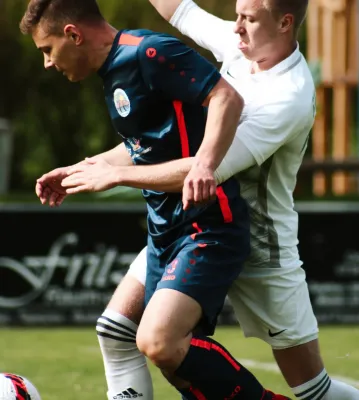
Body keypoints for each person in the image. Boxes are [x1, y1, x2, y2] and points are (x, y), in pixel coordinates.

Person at [60, 0, 359, 400]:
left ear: (285, 23)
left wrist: (115, 174)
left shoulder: (287, 97)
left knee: (313, 390)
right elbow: (180, 10)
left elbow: (205, 168)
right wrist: (92, 167)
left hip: (260, 247)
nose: (236, 27)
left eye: (249, 18)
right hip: (197, 225)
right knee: (119, 330)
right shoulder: (241, 43)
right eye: (237, 14)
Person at [20, 1, 291, 400]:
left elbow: (226, 98)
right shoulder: (113, 71)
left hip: (207, 225)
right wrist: (79, 170)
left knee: (160, 342)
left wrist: (205, 165)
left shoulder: (148, 53)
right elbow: (142, 147)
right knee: (124, 334)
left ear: (73, 35)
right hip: (164, 230)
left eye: (47, 50)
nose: (47, 63)